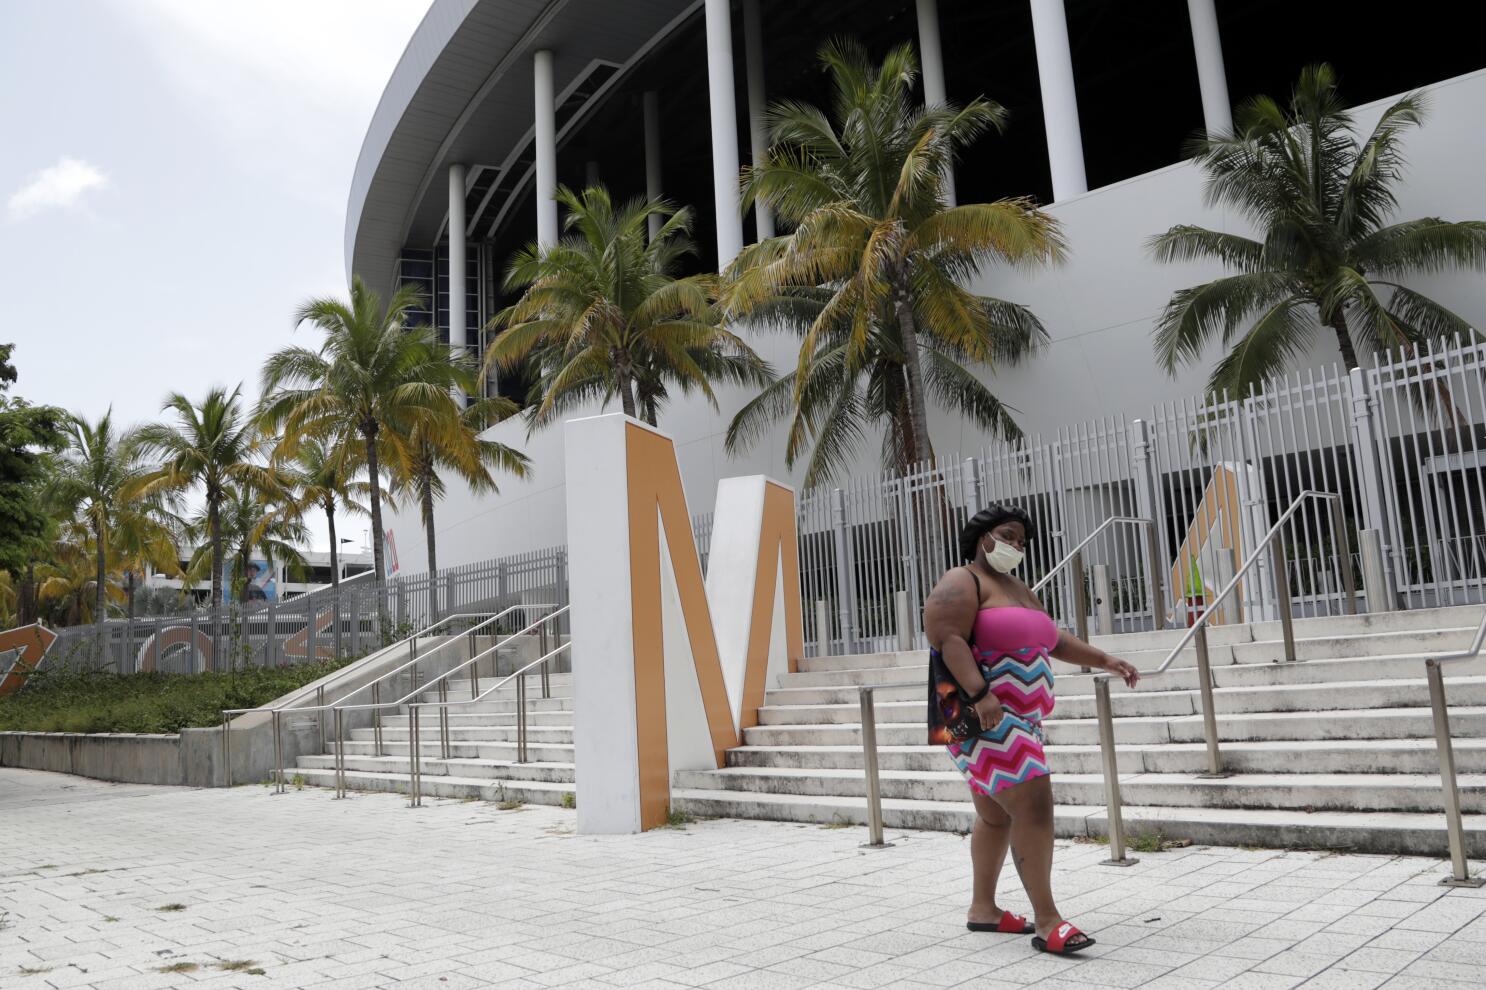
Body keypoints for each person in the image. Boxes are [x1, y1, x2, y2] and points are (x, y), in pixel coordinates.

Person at [923, 503, 1140, 955]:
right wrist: (981, 694)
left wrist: (1105, 659)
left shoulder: (1019, 588)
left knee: (995, 814)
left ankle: (983, 909)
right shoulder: (962, 580)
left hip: (1024, 718)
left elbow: (1054, 640)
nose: (1016, 545)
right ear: (983, 537)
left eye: (1022, 540)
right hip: (986, 715)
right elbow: (948, 639)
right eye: (1008, 535)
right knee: (1034, 803)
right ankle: (1048, 920)